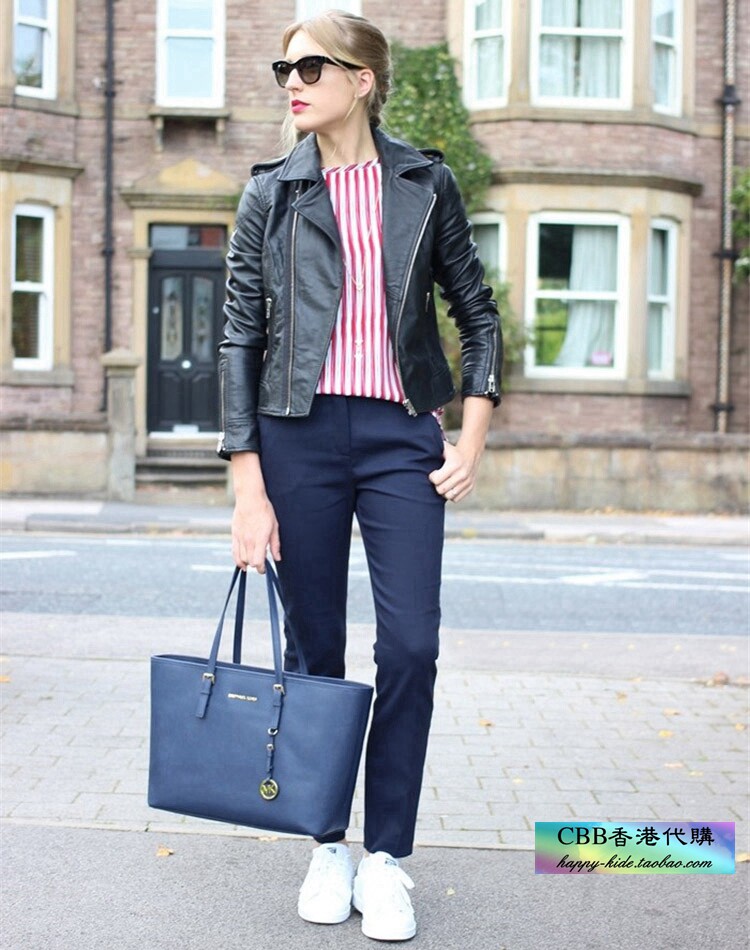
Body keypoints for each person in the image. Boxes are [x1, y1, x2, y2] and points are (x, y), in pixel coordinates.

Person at [218, 10, 502, 942]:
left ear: (363, 78)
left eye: (311, 67)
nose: (292, 83)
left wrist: (472, 438)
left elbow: (476, 312)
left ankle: (385, 859)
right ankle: (325, 846)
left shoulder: (424, 182)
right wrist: (248, 486)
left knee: (411, 646)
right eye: (284, 69)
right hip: (295, 438)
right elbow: (240, 338)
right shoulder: (270, 192)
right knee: (315, 654)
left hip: (398, 438)